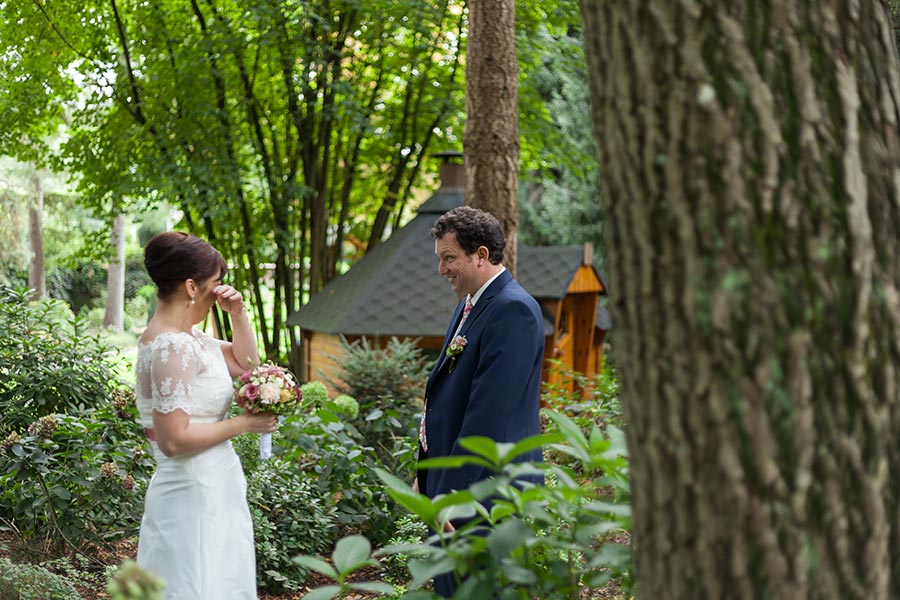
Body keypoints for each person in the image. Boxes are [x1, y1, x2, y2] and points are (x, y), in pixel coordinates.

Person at [134, 231, 277, 599]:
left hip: (215, 487)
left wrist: (239, 314)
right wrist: (246, 424)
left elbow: (247, 365)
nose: (220, 292)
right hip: (192, 492)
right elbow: (173, 439)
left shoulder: (190, 338)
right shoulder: (172, 346)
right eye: (216, 284)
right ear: (192, 287)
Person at [415, 207, 545, 597]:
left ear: (481, 255)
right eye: (440, 258)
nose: (442, 269)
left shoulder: (513, 310)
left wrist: (451, 494)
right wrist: (426, 471)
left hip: (484, 489)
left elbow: (487, 415)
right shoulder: (471, 303)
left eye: (449, 258)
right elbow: (448, 395)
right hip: (455, 480)